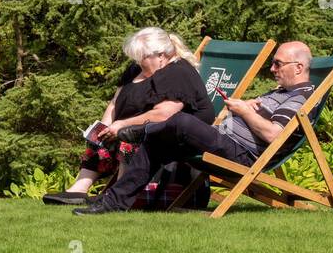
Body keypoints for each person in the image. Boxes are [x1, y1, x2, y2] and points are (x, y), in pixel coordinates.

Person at [73, 40, 315, 214]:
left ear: (298, 68)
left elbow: (274, 135)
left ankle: (141, 130)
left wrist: (243, 111)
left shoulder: (300, 97)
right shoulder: (282, 92)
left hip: (242, 155)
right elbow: (266, 120)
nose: (272, 69)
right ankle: (112, 202)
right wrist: (248, 107)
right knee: (156, 144)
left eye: (278, 64)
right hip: (224, 140)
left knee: (183, 121)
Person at [42, 27, 214, 205]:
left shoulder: (178, 73)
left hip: (183, 138)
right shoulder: (135, 69)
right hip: (150, 129)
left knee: (129, 137)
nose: (139, 63)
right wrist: (104, 126)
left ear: (161, 56)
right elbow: (115, 102)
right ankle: (79, 189)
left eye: (142, 58)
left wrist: (122, 124)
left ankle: (118, 195)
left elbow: (164, 114)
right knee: (101, 137)